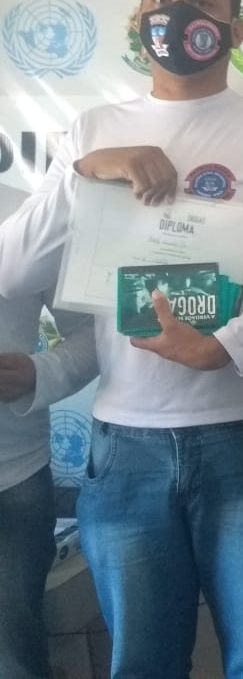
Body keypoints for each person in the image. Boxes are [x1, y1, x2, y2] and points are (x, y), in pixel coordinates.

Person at [0, 0, 243, 678]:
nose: (174, 14)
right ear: (138, 19)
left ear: (234, 30)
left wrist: (229, 343)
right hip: (125, 447)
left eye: (199, 2)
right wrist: (84, 175)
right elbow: (12, 269)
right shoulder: (91, 130)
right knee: (142, 663)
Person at [0, 183, 99, 679]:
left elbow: (96, 334)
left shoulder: (28, 214)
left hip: (11, 480)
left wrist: (40, 372)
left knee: (15, 660)